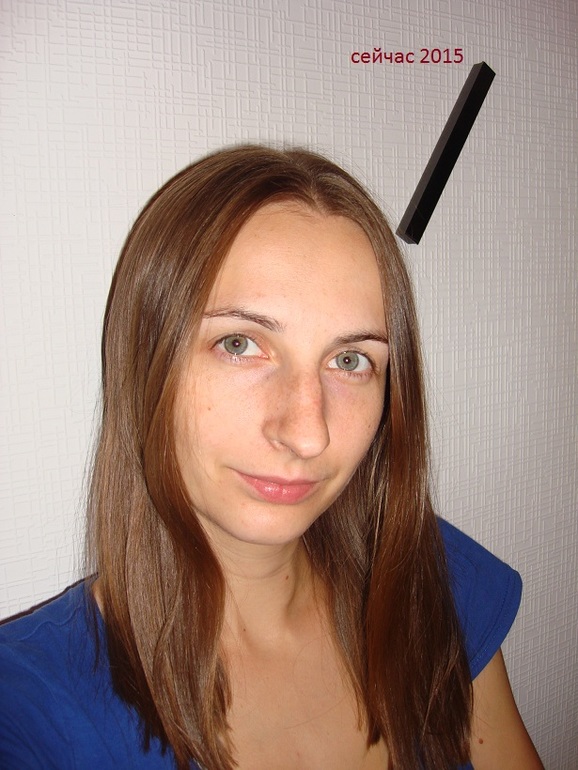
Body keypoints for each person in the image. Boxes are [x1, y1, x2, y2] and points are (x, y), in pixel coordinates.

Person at [0, 146, 543, 770]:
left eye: (350, 360)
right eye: (239, 344)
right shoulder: (29, 709)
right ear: (146, 364)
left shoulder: (433, 576)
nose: (307, 433)